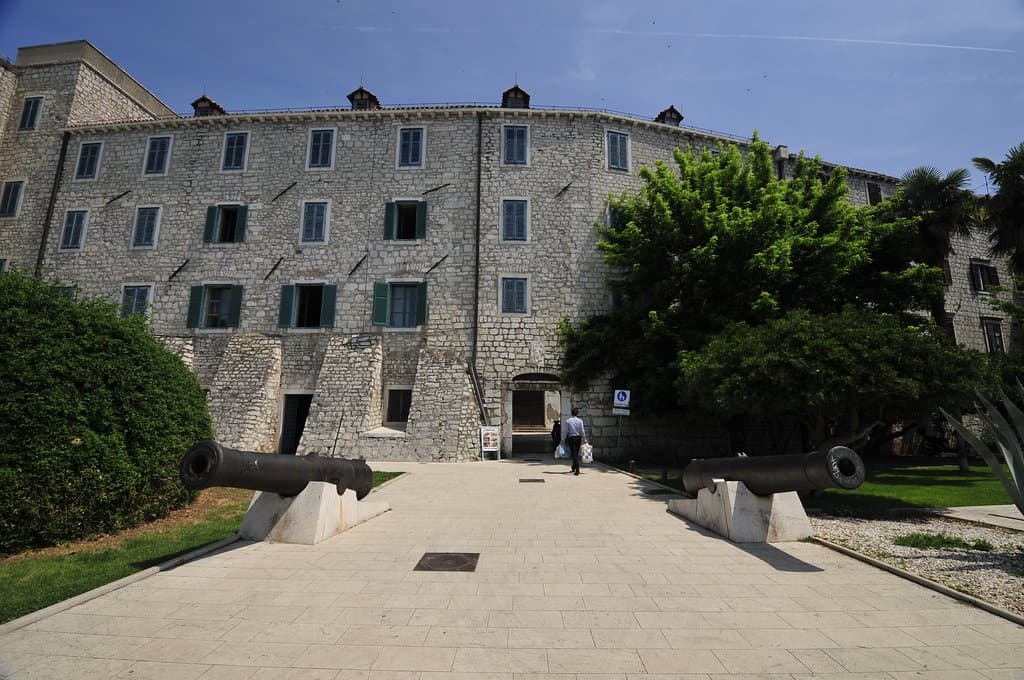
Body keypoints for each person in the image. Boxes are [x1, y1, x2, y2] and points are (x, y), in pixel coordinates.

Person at [562, 407, 586, 475]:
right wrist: (584, 438)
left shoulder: (568, 421)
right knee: (575, 453)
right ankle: (573, 467)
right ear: (577, 413)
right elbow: (582, 430)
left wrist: (563, 439)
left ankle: (577, 469)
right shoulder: (580, 421)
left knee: (574, 454)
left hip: (571, 439)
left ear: (571, 413)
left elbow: (566, 431)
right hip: (578, 438)